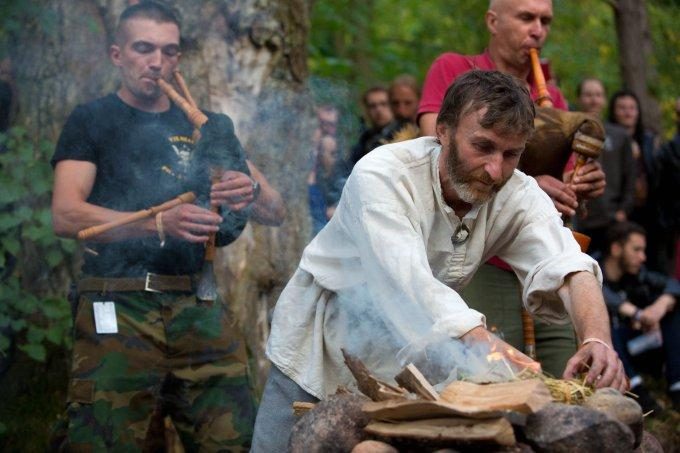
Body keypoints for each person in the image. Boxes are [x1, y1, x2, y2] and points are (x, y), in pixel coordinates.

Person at [251, 71, 626, 452]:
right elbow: (409, 282)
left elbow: (567, 263)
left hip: (411, 367)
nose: (495, 170)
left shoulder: (517, 192)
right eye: (483, 146)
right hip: (320, 350)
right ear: (442, 131)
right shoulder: (382, 176)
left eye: (511, 154)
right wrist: (496, 357)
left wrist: (597, 338)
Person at [50, 2, 256, 450]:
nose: (156, 62)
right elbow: (65, 214)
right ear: (117, 54)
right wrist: (158, 223)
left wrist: (247, 191)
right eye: (143, 49)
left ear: (178, 58)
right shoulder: (92, 119)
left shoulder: (207, 125)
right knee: (105, 442)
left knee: (235, 441)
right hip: (118, 301)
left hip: (198, 305)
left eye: (168, 51)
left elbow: (272, 205)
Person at [417, 0, 606, 377]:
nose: (538, 30)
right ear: (493, 21)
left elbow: (564, 182)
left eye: (545, 21)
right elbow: (438, 150)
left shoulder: (552, 97)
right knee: (492, 375)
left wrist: (581, 183)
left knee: (565, 378)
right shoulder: (454, 69)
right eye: (526, 18)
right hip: (478, 256)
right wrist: (528, 185)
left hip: (542, 253)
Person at [601, 221, 680, 413]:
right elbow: (598, 290)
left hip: (638, 345)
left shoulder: (639, 275)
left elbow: (673, 285)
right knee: (606, 324)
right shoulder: (592, 268)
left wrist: (658, 308)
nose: (642, 257)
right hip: (608, 351)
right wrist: (635, 312)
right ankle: (634, 388)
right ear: (616, 248)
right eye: (636, 250)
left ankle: (676, 384)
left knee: (673, 310)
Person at [575, 78, 636, 256]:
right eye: (588, 95)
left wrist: (623, 210)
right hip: (579, 220)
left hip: (611, 219)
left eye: (598, 95)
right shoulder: (568, 131)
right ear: (579, 98)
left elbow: (630, 176)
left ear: (604, 100)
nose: (593, 99)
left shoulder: (619, 135)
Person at [608, 90, 666, 272]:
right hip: (619, 211)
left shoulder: (649, 140)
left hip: (648, 210)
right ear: (613, 111)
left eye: (632, 108)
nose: (628, 112)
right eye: (622, 108)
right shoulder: (607, 139)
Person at [349, 86, 402, 166]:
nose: (378, 110)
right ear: (366, 110)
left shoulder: (405, 134)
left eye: (384, 104)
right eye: (373, 106)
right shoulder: (364, 139)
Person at [307, 134, 349, 235]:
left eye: (334, 153)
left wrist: (337, 210)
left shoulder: (341, 178)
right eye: (331, 153)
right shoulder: (316, 175)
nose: (334, 157)